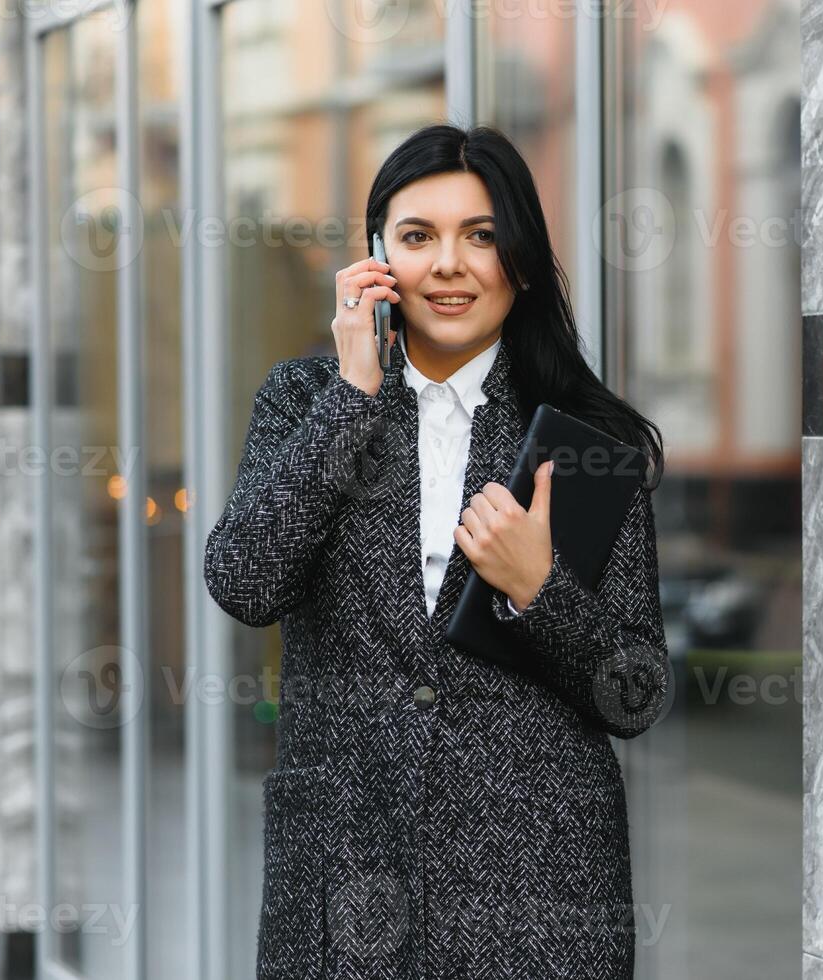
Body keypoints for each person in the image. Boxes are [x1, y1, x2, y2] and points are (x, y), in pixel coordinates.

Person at [203, 122, 671, 979]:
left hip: (534, 889)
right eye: (418, 237)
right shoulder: (306, 401)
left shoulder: (585, 442)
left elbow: (636, 694)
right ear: (378, 260)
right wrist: (352, 395)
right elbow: (244, 580)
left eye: (482, 237)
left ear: (520, 263)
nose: (449, 265)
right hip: (345, 875)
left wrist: (542, 589)